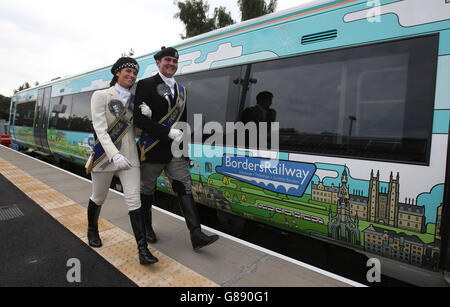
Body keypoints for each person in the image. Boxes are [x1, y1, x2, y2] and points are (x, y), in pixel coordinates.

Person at [134, 46, 219, 251]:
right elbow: (138, 120)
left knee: (184, 187)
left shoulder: (182, 90)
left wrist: (184, 147)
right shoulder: (145, 85)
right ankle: (146, 228)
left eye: (174, 61)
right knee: (147, 190)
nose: (171, 64)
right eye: (167, 60)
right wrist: (165, 132)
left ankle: (196, 234)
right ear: (158, 63)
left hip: (175, 150)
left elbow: (182, 121)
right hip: (152, 148)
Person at [85, 57, 158, 265]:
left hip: (129, 156)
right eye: (128, 71)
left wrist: (147, 119)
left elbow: (134, 131)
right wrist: (113, 154)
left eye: (135, 73)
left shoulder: (135, 101)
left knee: (135, 200)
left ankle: (142, 251)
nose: (132, 76)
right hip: (104, 156)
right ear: (117, 72)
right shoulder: (100, 95)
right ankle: (92, 229)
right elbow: (99, 128)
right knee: (98, 197)